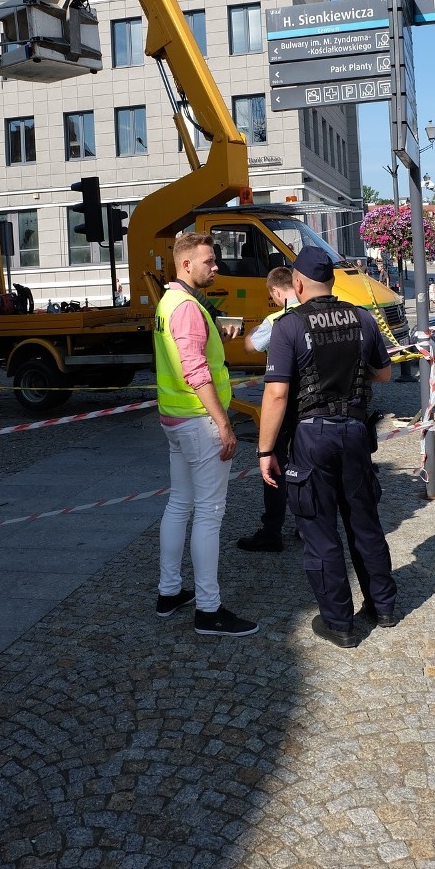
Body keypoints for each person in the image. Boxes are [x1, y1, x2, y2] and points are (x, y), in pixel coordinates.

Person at [258, 246, 397, 650]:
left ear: (297, 283)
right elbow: (385, 374)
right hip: (355, 430)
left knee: (319, 529)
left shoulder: (289, 325)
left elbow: (278, 395)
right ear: (333, 281)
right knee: (364, 522)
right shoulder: (363, 318)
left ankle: (339, 623)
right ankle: (383, 607)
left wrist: (265, 450)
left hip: (311, 434)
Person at [154, 232, 259, 637]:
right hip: (198, 420)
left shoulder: (170, 301)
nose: (216, 267)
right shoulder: (185, 308)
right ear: (186, 265)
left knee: (180, 504)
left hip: (176, 418)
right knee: (209, 513)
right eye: (209, 262)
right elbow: (195, 370)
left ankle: (169, 593)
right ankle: (209, 609)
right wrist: (224, 421)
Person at [237, 267, 299, 553]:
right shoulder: (315, 311)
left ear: (275, 291)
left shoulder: (277, 319)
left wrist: (250, 330)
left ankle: (272, 530)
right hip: (315, 404)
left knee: (275, 464)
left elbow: (250, 347)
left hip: (284, 401)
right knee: (309, 464)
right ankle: (307, 526)